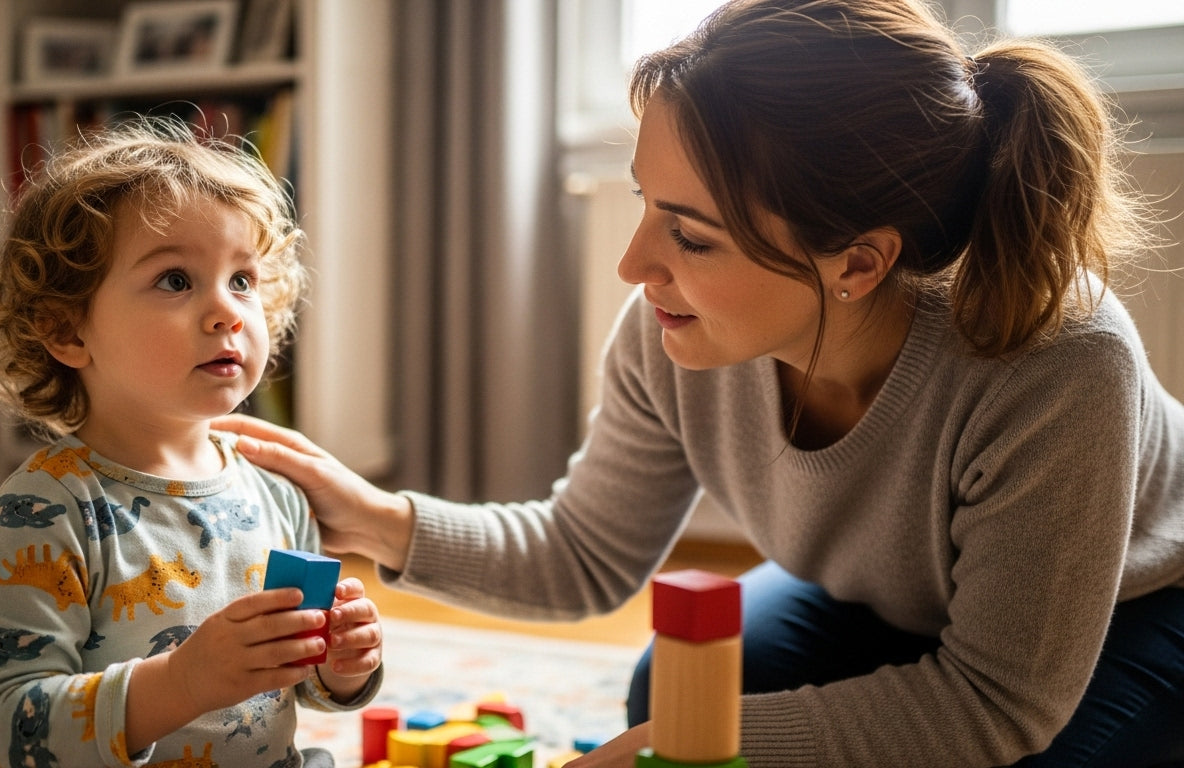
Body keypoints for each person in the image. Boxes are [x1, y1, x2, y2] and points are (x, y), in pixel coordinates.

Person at [214, 1, 1184, 766]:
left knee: (714, 734)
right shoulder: (675, 329)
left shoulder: (1058, 359)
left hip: (1130, 615)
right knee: (671, 693)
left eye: (690, 234)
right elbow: (585, 554)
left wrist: (686, 747)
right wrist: (377, 519)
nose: (633, 265)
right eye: (646, 204)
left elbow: (994, 702)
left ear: (858, 262)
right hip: (890, 600)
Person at [0, 115, 383, 768]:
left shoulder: (279, 494)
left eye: (242, 280)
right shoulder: (44, 513)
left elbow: (296, 681)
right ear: (67, 330)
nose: (228, 312)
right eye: (176, 280)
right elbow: (4, 728)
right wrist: (181, 682)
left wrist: (340, 664)